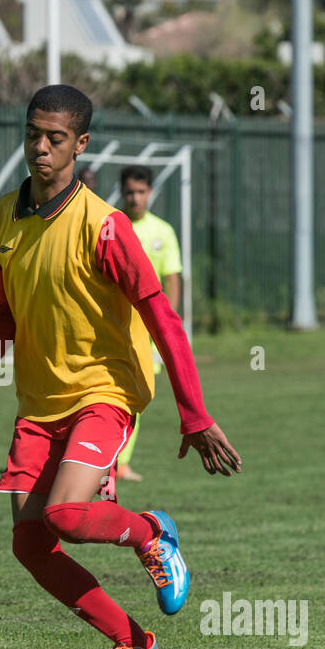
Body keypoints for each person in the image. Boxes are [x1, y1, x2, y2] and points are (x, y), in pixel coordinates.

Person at [0, 84, 241, 649]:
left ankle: (152, 532)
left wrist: (194, 415)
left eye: (56, 138)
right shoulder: (0, 219)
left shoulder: (105, 226)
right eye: (33, 135)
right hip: (39, 403)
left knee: (66, 516)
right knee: (30, 543)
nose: (41, 148)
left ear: (81, 144)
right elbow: (6, 318)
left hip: (106, 392)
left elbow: (164, 319)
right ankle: (135, 643)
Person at [114, 163, 183, 483]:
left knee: (137, 396)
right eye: (130, 192)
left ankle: (120, 462)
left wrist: (166, 326)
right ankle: (101, 460)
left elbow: (172, 278)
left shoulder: (163, 231)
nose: (135, 198)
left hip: (148, 331)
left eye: (141, 192)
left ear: (150, 193)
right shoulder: (111, 225)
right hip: (112, 326)